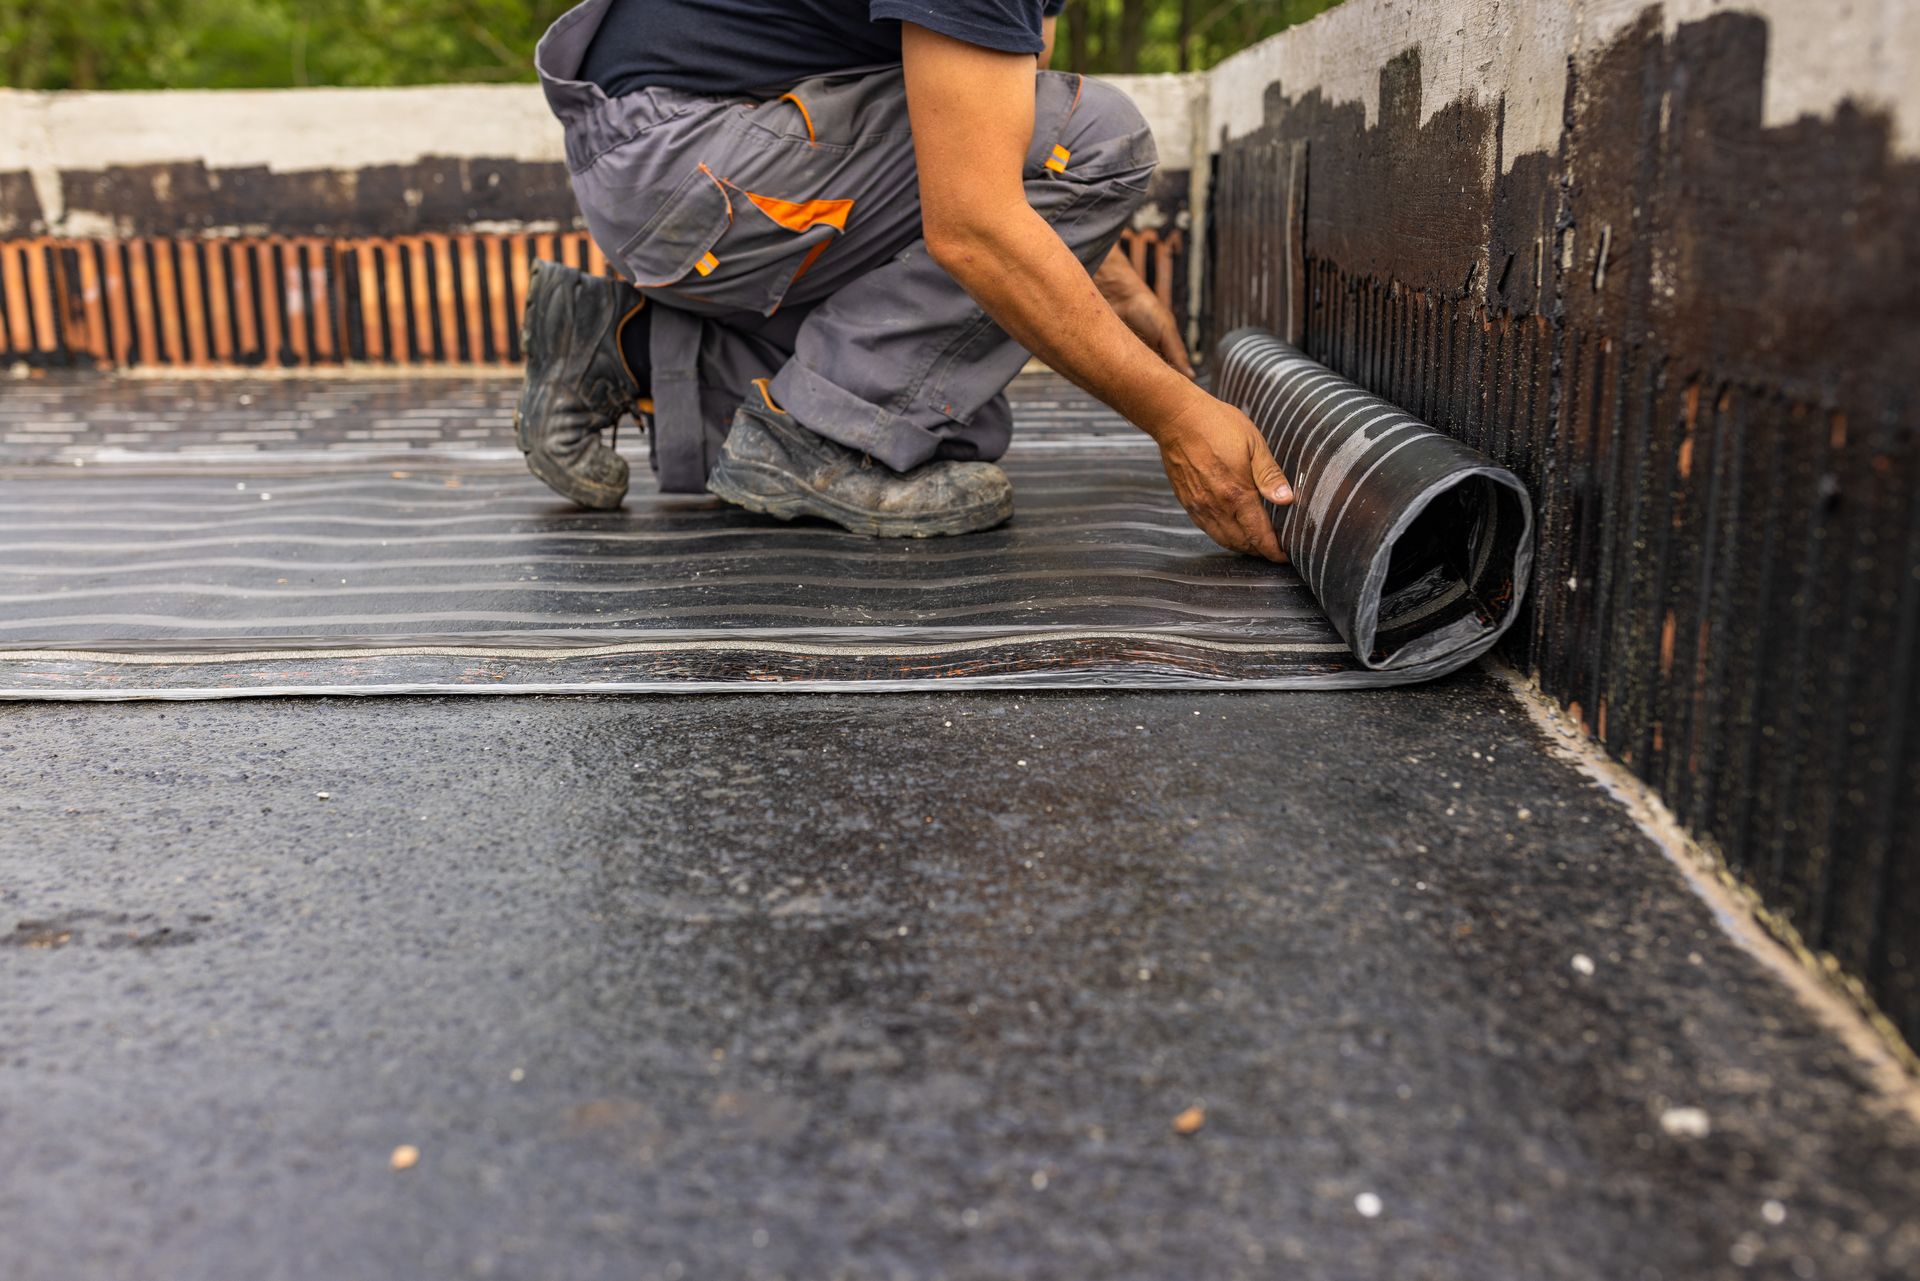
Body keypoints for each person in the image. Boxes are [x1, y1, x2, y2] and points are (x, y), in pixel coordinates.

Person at [518, 0, 1294, 558]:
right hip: (690, 162)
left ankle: (627, 348)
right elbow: (978, 223)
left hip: (687, 166)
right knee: (1105, 136)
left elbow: (1004, 125)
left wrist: (1110, 284)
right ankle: (816, 437)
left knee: (946, 422)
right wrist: (1177, 417)